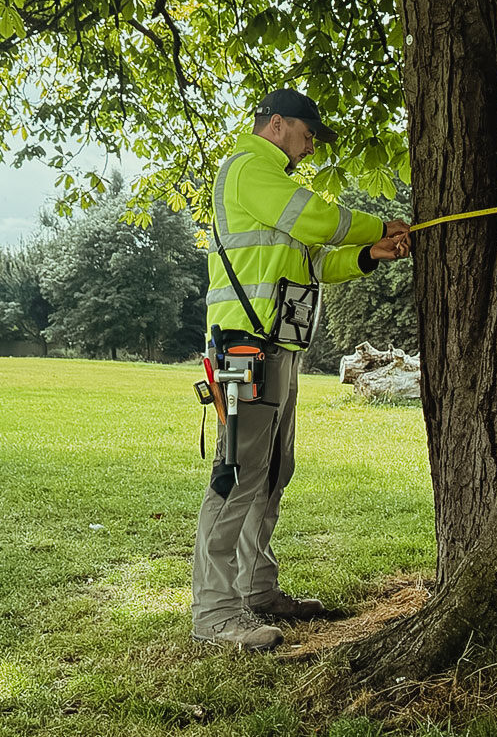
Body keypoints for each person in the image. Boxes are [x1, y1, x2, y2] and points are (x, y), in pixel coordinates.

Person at [192, 88, 411, 650]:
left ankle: (258, 589)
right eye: (309, 134)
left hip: (276, 348)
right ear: (279, 124)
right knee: (237, 474)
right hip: (245, 347)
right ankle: (215, 613)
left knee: (271, 472)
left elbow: (312, 260)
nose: (311, 147)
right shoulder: (247, 169)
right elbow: (314, 220)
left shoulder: (275, 184)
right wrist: (374, 226)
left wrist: (368, 255)